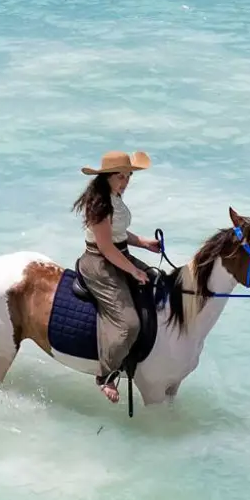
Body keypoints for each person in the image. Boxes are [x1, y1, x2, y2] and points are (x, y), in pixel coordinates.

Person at [72, 151, 160, 403]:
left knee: (158, 283)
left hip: (120, 254)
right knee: (128, 324)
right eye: (120, 176)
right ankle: (106, 375)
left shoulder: (115, 197)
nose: (125, 181)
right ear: (107, 177)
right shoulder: (99, 204)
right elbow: (106, 247)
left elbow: (118, 232)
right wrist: (133, 270)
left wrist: (142, 242)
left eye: (129, 176)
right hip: (100, 263)